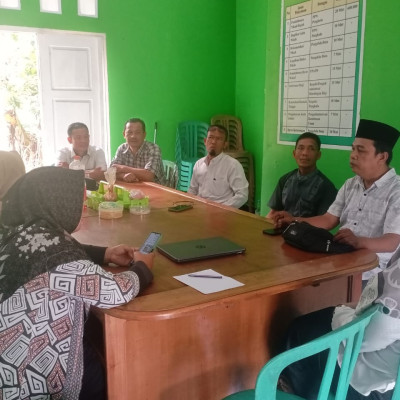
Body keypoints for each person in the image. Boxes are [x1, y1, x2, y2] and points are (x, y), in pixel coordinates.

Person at [0, 167, 154, 399]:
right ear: (55, 203)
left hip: (9, 357)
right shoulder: (59, 254)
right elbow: (115, 291)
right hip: (27, 371)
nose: (82, 209)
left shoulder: (20, 231)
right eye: (76, 202)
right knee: (111, 376)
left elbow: (57, 253)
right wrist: (144, 267)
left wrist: (106, 254)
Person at [273, 119, 400, 282]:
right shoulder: (351, 184)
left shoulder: (396, 190)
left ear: (382, 156)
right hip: (341, 260)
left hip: (374, 273)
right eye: (353, 149)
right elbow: (329, 219)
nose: (353, 155)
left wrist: (358, 241)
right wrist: (294, 220)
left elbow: (391, 242)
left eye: (361, 151)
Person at [280, 247, 400, 399]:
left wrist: (341, 311)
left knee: (299, 332)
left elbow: (363, 338)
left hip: (376, 388)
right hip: (390, 377)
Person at [266, 132, 337, 219]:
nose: (305, 153)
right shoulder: (285, 180)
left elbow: (325, 221)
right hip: (282, 229)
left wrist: (293, 221)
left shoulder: (327, 187)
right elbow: (274, 212)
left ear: (318, 155)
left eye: (311, 149)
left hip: (310, 232)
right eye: (301, 148)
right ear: (294, 153)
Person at [188, 124, 249, 209]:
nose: (213, 142)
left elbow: (242, 195)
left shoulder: (233, 165)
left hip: (221, 214)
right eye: (211, 137)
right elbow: (192, 190)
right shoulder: (198, 164)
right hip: (199, 210)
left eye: (219, 139)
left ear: (225, 144)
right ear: (205, 141)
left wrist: (221, 209)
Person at [110, 118, 165, 185]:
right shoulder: (122, 148)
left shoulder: (153, 148)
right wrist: (123, 176)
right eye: (129, 132)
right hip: (132, 188)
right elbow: (112, 171)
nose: (133, 136)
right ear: (124, 134)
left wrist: (123, 168)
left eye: (138, 132)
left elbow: (149, 176)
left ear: (144, 134)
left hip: (155, 190)